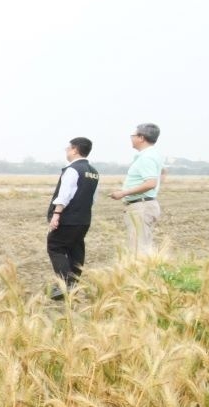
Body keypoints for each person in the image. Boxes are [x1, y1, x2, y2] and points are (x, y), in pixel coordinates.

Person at [47, 137, 99, 298]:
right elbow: (93, 198)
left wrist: (56, 214)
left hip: (68, 218)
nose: (66, 150)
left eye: (68, 148)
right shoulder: (94, 172)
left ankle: (65, 284)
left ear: (75, 150)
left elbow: (64, 195)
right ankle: (74, 283)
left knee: (55, 246)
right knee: (76, 249)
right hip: (84, 219)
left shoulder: (73, 170)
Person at [109, 123, 164, 256]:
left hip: (141, 206)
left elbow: (151, 182)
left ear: (141, 137)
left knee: (139, 249)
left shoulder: (146, 157)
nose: (131, 138)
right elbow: (163, 173)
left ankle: (142, 276)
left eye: (133, 135)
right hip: (144, 204)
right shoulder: (152, 155)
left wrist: (123, 193)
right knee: (142, 246)